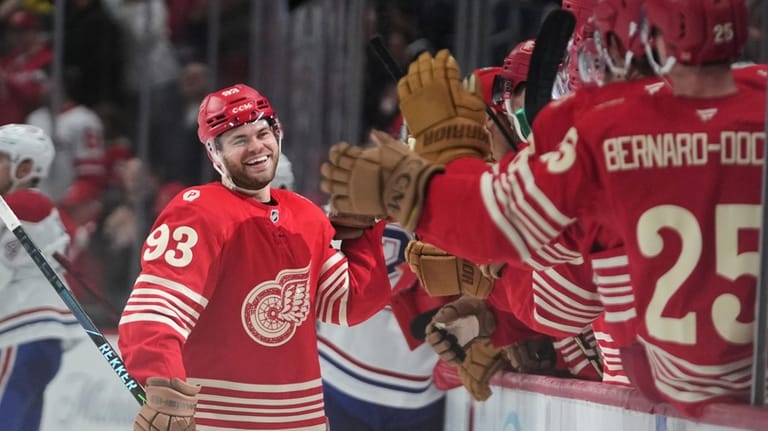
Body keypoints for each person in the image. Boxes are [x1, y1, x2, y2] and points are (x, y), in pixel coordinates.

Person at [319, 0, 761, 417]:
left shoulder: (608, 132)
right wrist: (497, 320)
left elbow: (517, 243)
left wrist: (419, 183)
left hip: (662, 403)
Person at [118, 83, 391, 430]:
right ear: (214, 153)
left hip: (301, 421)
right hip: (218, 422)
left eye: (263, 133)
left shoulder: (306, 215)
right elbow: (153, 315)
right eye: (239, 140)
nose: (256, 147)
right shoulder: (199, 212)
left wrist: (364, 233)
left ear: (278, 134)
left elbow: (347, 303)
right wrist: (164, 387)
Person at [0, 124, 83, 431]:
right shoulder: (41, 208)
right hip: (42, 338)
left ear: (24, 167)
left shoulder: (24, 204)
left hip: (20, 333)